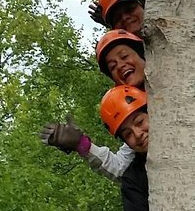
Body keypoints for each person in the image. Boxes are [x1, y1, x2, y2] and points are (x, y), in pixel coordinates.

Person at [40, 29, 146, 181]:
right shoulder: (132, 115)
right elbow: (122, 168)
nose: (121, 65)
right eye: (113, 67)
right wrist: (81, 144)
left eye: (124, 56)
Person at [99, 85, 150, 211]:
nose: (138, 134)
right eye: (128, 134)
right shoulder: (132, 179)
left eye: (140, 122)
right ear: (126, 143)